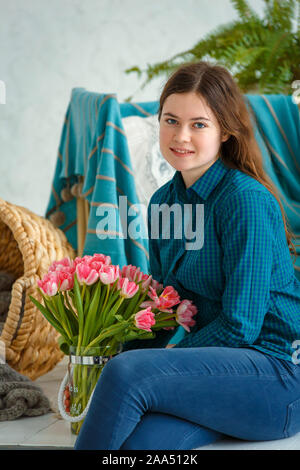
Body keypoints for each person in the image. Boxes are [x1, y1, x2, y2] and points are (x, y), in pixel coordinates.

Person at [74, 61, 300, 450]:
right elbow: (167, 306)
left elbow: (240, 326)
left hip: (275, 379)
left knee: (127, 375)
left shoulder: (244, 201)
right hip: (216, 375)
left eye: (199, 124)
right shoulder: (163, 201)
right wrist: (115, 349)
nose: (181, 136)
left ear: (225, 131)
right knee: (131, 446)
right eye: (170, 120)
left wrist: (162, 359)